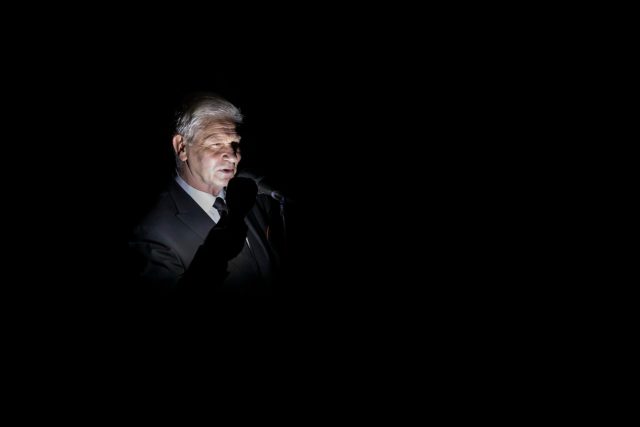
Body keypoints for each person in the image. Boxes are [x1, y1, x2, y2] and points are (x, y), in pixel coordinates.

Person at [128, 92, 283, 297]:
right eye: (216, 143)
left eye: (235, 144)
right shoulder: (151, 233)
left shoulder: (257, 197)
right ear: (182, 147)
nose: (233, 156)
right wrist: (216, 253)